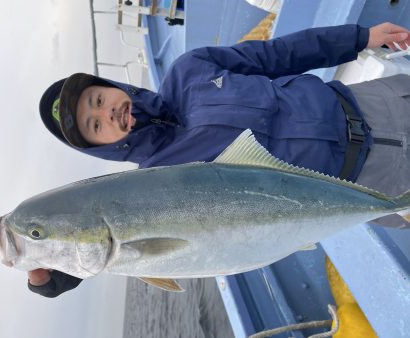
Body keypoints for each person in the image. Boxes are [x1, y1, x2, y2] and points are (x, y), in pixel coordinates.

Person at [28, 22, 410, 297]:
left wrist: (359, 38)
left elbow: (278, 55)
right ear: (100, 147)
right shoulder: (155, 182)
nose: (107, 114)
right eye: (95, 126)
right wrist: (59, 269)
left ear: (109, 87)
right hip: (367, 185)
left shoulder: (190, 69)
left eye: (98, 100)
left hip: (375, 102)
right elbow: (117, 238)